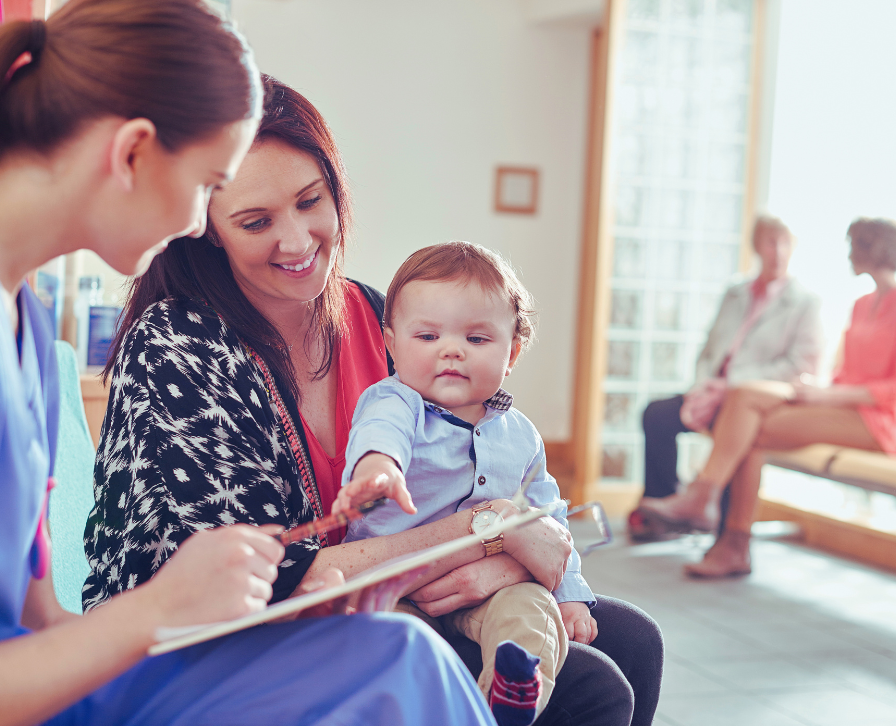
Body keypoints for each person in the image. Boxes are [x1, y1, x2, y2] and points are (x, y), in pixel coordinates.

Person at [0, 0, 495, 726]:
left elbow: (39, 625)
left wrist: (194, 603)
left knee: (400, 657)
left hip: (52, 688)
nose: (200, 222)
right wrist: (159, 606)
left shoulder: (21, 322)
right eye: (208, 187)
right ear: (132, 151)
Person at [88, 74, 664, 726]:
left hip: (389, 588)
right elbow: (272, 585)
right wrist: (487, 537)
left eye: (311, 201)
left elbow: (480, 462)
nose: (300, 240)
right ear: (207, 228)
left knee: (634, 640)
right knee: (591, 689)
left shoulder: (373, 312)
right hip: (229, 639)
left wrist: (514, 556)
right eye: (256, 221)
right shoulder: (181, 350)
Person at [336, 242, 597, 726]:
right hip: (395, 584)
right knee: (400, 643)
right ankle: (445, 704)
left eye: (477, 339)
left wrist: (571, 593)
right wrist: (379, 471)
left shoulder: (521, 433)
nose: (451, 350)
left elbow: (548, 518)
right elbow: (380, 436)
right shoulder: (396, 401)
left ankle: (509, 696)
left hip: (489, 588)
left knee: (532, 613)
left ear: (512, 351)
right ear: (391, 345)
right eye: (428, 335)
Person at [640, 218, 896, 578]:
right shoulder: (863, 303)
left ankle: (718, 521)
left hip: (881, 421)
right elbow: (850, 370)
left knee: (752, 430)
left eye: (853, 245)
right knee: (747, 406)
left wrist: (831, 395)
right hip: (845, 405)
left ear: (872, 249)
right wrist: (822, 390)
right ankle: (726, 534)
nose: (848, 253)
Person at [628, 215, 822, 541]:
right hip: (712, 391)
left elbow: (800, 365)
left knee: (736, 432)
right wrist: (703, 385)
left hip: (753, 400)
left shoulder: (805, 303)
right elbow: (710, 348)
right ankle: (663, 508)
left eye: (786, 242)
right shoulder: (735, 293)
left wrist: (732, 386)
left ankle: (722, 532)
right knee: (657, 414)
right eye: (771, 241)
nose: (778, 251)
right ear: (757, 246)